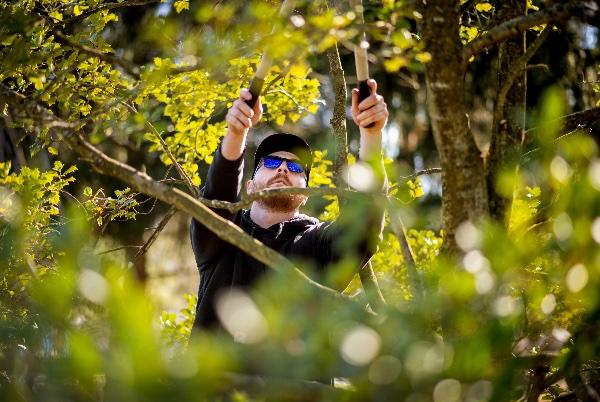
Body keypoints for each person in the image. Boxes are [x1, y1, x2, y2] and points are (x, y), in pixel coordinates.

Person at [190, 79, 389, 330]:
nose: (283, 167)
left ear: (305, 194)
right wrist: (237, 132)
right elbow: (217, 195)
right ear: (249, 186)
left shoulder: (318, 244)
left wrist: (371, 135)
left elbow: (363, 227)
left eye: (295, 167)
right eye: (271, 163)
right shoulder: (219, 237)